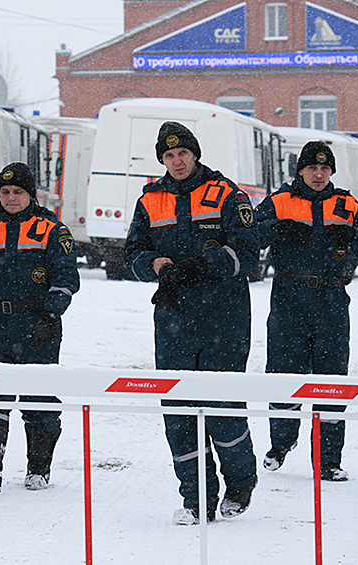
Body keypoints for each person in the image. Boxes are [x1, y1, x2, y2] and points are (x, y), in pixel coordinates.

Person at [124, 121, 260, 525]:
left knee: (222, 405)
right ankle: (196, 498)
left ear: (195, 154)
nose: (176, 161)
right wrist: (154, 265)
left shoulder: (227, 194)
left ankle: (240, 482)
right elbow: (133, 251)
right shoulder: (150, 200)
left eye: (182, 153)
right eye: (168, 156)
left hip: (225, 317)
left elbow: (249, 251)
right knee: (179, 410)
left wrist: (205, 264)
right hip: (173, 318)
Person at [255, 141, 358, 481]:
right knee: (283, 375)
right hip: (289, 299)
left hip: (331, 301)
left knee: (331, 381)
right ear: (300, 171)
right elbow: (250, 237)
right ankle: (280, 443)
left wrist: (353, 235)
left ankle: (328, 460)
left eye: (325, 169)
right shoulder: (280, 201)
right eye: (312, 168)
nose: (319, 174)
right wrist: (276, 228)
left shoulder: (346, 203)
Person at [0, 162, 79, 494]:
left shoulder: (52, 229)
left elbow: (66, 278)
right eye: (5, 192)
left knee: (38, 398)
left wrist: (51, 316)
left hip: (37, 323)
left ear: (30, 194)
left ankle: (38, 467)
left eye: (18, 192)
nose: (11, 198)